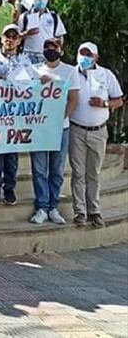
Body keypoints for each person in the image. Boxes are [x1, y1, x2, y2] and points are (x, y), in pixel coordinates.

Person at [69, 42, 123, 228]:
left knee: (93, 173)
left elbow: (119, 100)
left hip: (98, 131)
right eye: (81, 53)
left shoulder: (106, 75)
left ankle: (94, 210)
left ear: (96, 57)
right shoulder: (71, 73)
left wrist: (105, 104)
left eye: (88, 54)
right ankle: (80, 211)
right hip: (76, 129)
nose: (84, 57)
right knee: (78, 173)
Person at [28, 38, 78, 225]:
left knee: (57, 169)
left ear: (61, 50)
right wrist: (36, 84)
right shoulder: (34, 70)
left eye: (54, 47)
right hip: (39, 127)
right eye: (47, 47)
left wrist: (61, 118)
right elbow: (23, 94)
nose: (51, 49)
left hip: (60, 127)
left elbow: (73, 98)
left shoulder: (70, 71)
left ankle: (53, 206)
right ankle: (41, 206)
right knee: (39, 168)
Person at [0, 24, 34, 204]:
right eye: (7, 36)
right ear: (2, 39)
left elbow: (31, 82)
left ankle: (9, 188)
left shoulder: (25, 60)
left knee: (12, 154)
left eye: (14, 36)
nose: (10, 39)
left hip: (16, 112)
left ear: (19, 40)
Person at [17, 0, 66, 64]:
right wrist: (27, 33)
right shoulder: (25, 16)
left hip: (46, 54)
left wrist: (57, 48)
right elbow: (17, 37)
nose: (41, 0)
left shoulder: (54, 17)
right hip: (28, 54)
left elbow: (59, 35)